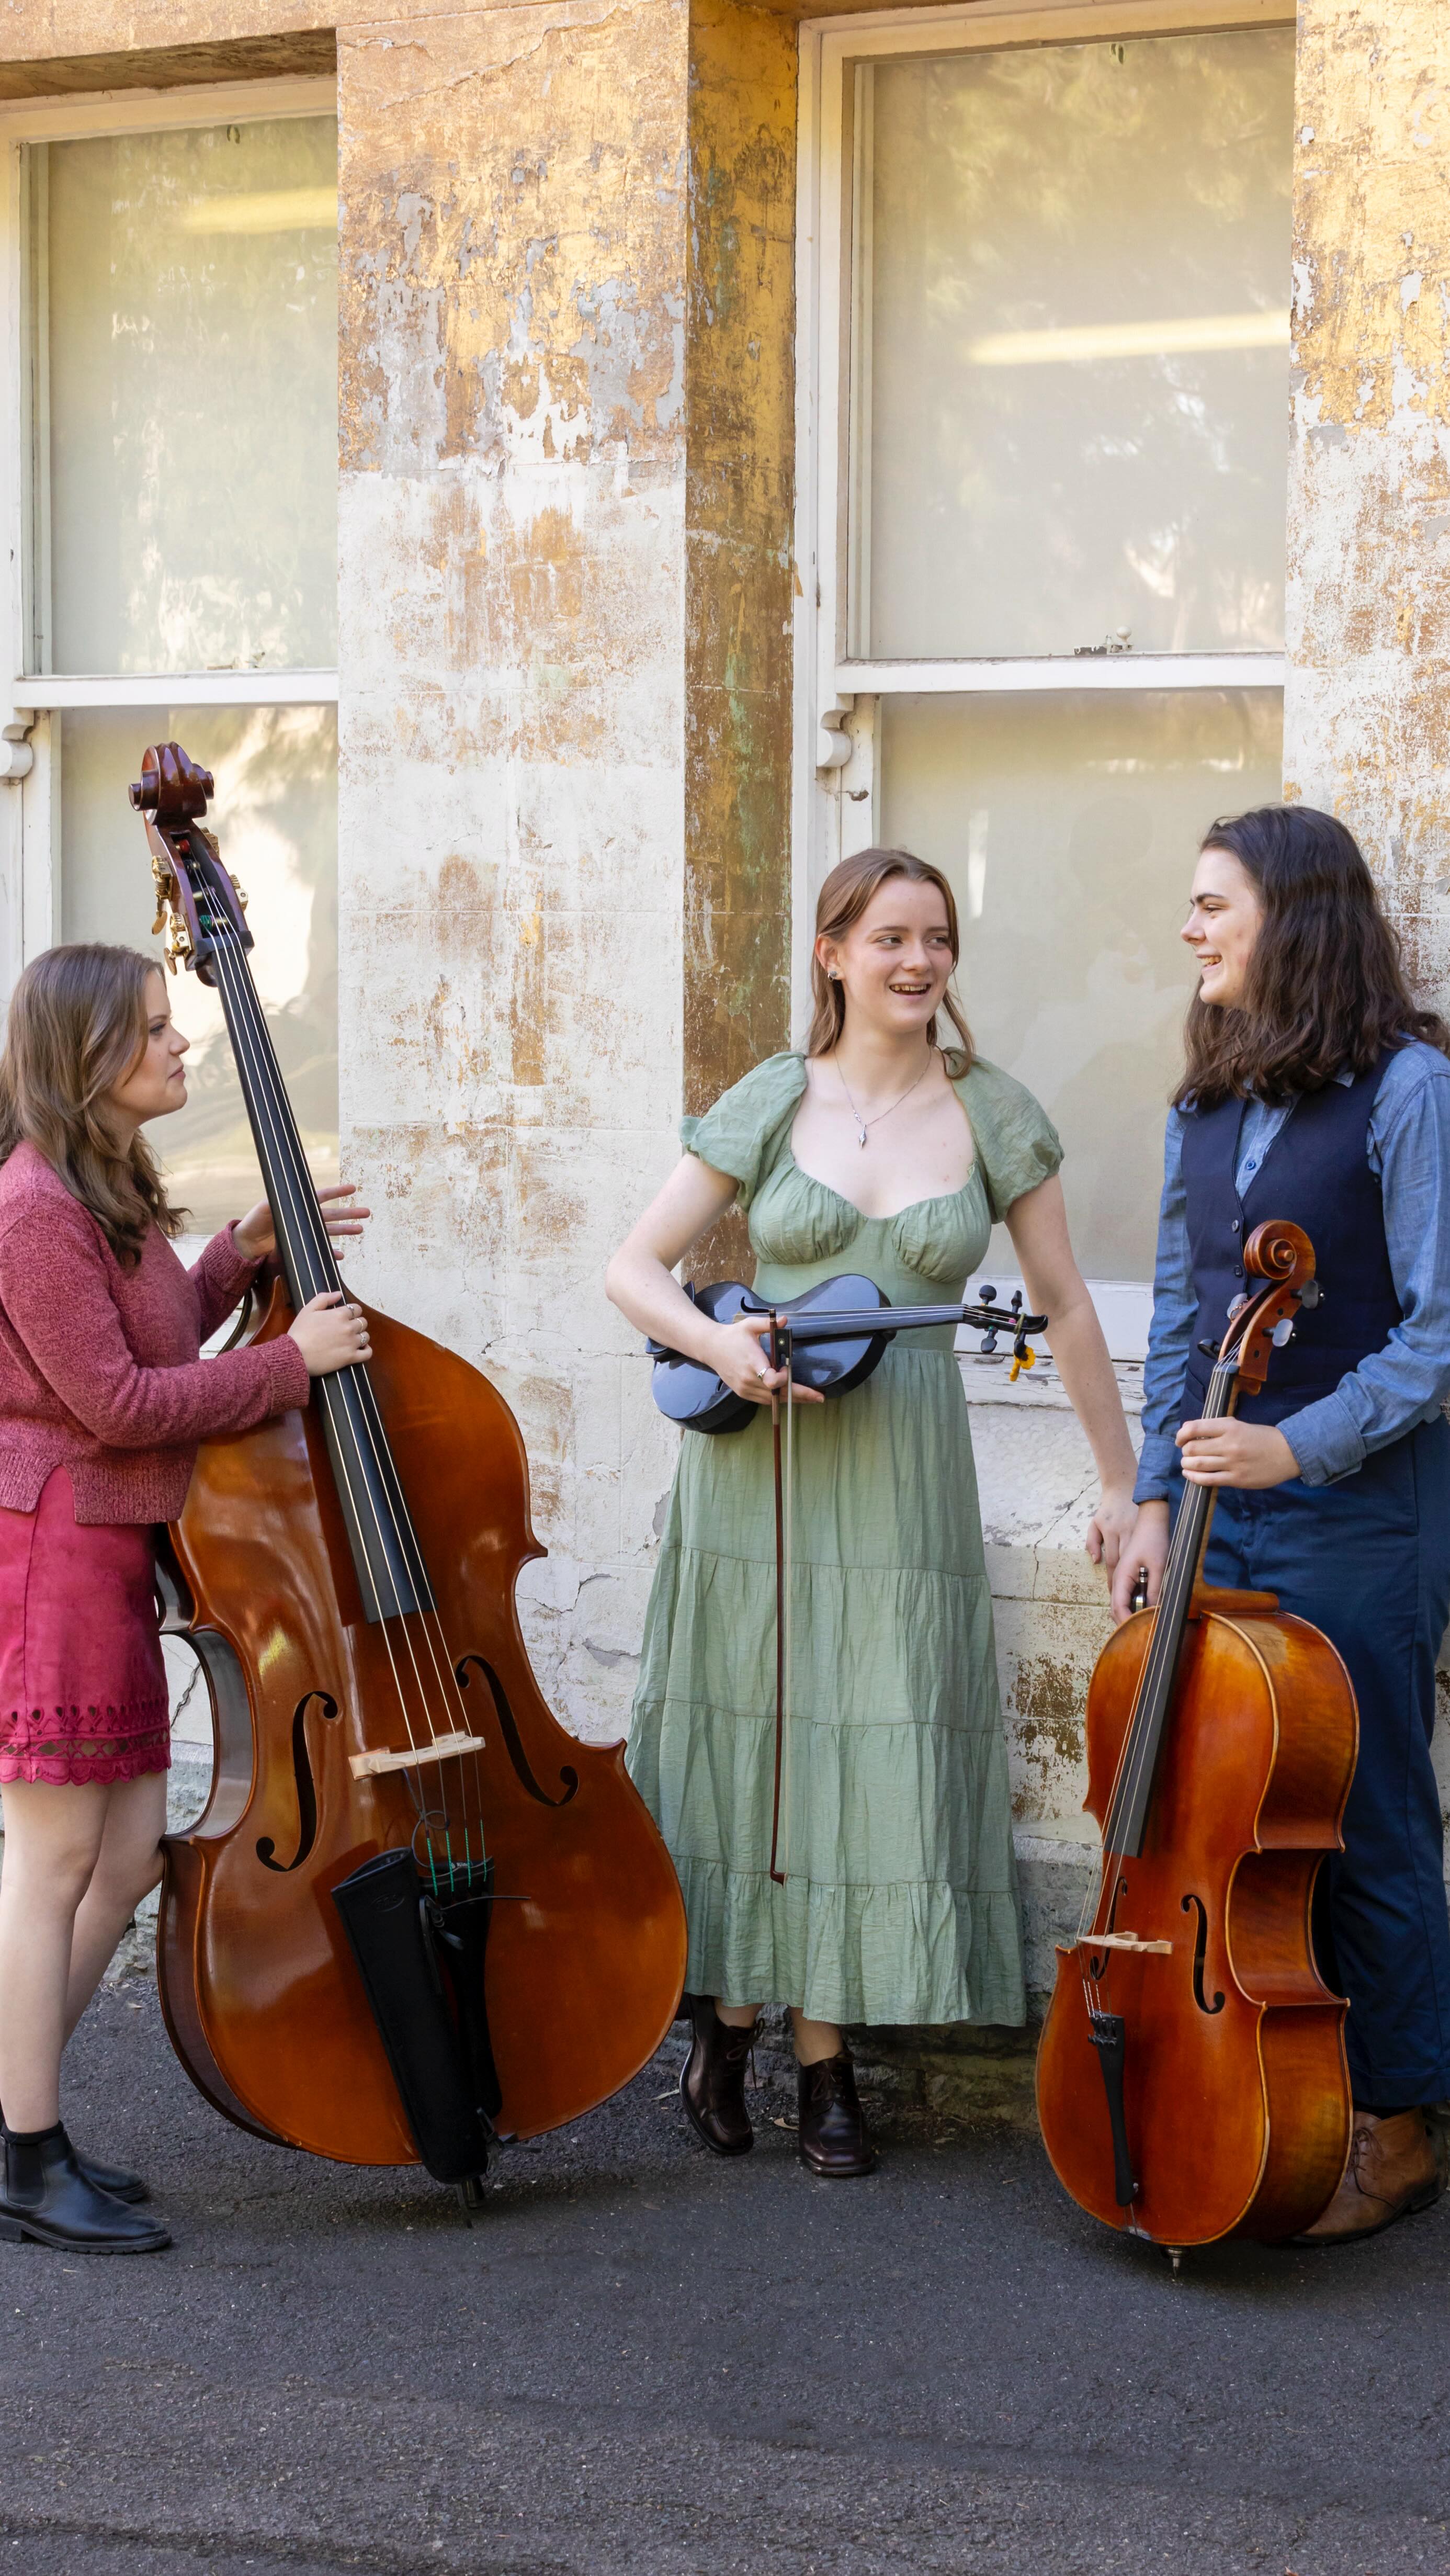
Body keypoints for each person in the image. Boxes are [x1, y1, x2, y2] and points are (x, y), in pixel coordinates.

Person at [607, 848, 1139, 2176]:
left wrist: (1126, 1483)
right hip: (762, 1462)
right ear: (834, 953)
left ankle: (825, 2045)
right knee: (763, 1734)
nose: (918, 960)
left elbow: (1068, 1306)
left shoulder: (996, 1111)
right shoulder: (772, 1096)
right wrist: (720, 1347)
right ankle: (729, 2023)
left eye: (938, 938)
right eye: (891, 936)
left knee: (868, 1737)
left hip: (902, 1462)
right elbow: (634, 1267)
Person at [0, 944, 371, 2255]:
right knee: (54, 1860)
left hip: (113, 1552)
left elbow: (149, 1340)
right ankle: (28, 2157)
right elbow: (114, 1405)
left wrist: (234, 1256)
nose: (182, 1046)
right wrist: (287, 1362)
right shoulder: (34, 1207)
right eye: (157, 1029)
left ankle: (19, 2121)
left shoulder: (106, 1188)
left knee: (125, 1854)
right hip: (54, 1559)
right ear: (89, 1052)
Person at [1114, 804, 1450, 2245]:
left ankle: (1400, 2121)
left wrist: (1290, 1442)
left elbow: (1439, 1334)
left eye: (1211, 905)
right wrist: (1149, 1491)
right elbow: (1188, 1318)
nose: (1187, 929)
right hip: (1214, 1524)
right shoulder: (1202, 1102)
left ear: (1293, 917)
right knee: (1241, 1828)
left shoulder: (1408, 1088)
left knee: (1367, 1820)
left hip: (1357, 1520)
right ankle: (1271, 2089)